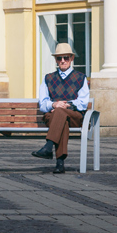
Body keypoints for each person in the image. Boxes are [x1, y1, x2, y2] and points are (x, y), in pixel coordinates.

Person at [31, 42, 90, 174]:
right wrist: (53, 104)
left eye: (66, 58)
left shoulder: (81, 78)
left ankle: (48, 146)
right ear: (56, 60)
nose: (63, 61)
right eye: (59, 58)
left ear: (71, 58)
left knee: (60, 112)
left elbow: (83, 102)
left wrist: (65, 105)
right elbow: (43, 102)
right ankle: (59, 163)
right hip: (53, 115)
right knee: (61, 118)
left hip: (75, 115)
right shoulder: (48, 78)